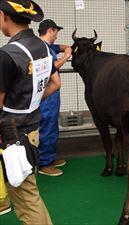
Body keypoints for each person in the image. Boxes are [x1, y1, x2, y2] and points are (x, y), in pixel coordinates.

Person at [0, 0, 61, 224]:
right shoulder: (42, 46)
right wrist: (31, 99)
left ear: (3, 16)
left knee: (26, 200)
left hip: (12, 138)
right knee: (29, 195)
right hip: (31, 131)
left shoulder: (7, 54)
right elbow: (55, 84)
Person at [37, 19, 72, 176]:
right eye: (56, 32)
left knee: (51, 126)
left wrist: (67, 48)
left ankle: (49, 158)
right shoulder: (40, 48)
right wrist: (67, 57)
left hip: (51, 95)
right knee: (47, 127)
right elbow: (51, 68)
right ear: (50, 30)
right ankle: (45, 164)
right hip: (47, 95)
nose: (57, 36)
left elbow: (60, 47)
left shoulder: (46, 46)